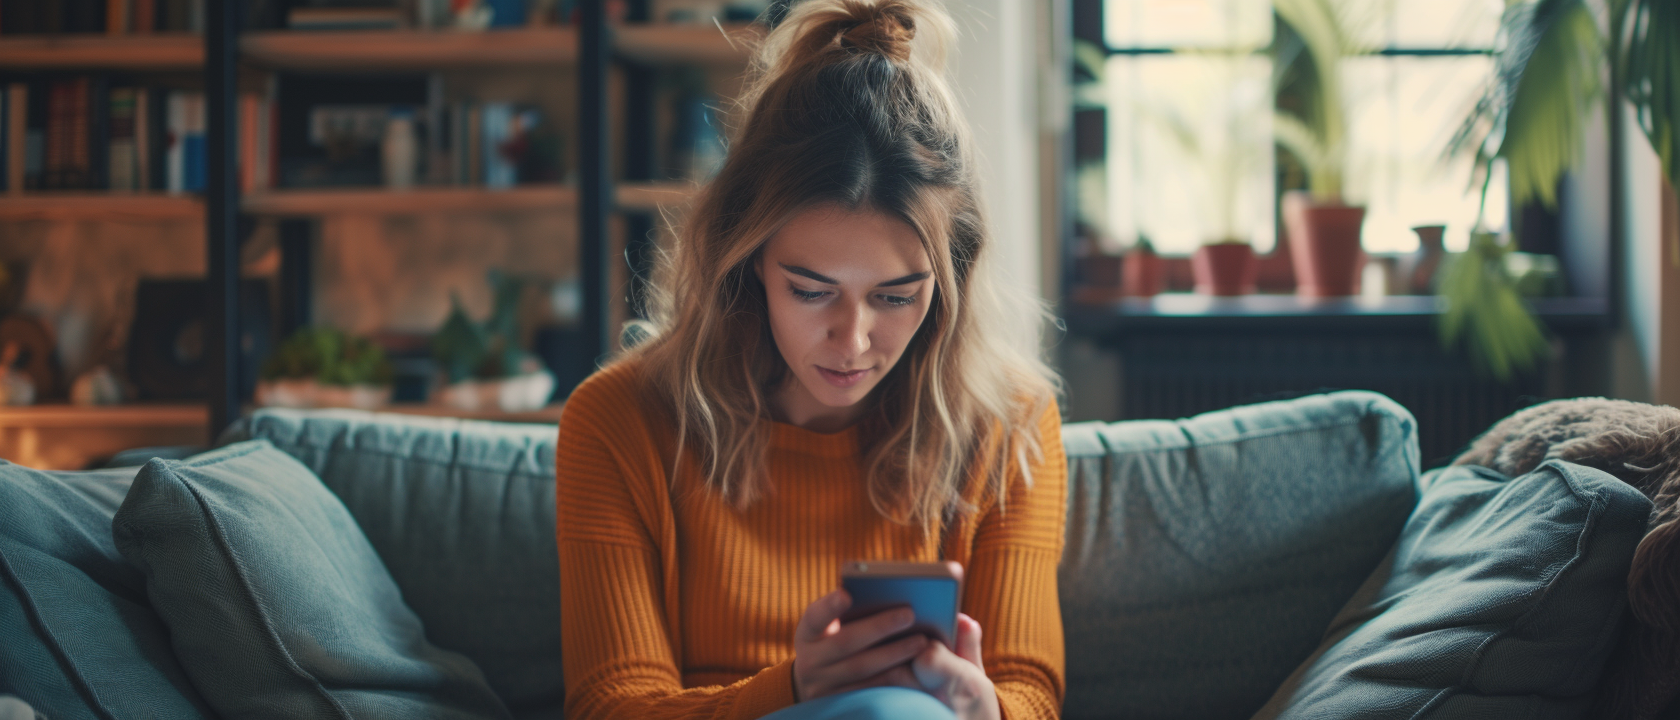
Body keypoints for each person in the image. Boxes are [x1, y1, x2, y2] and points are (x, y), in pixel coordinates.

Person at [554, 1, 1066, 718]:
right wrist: (793, 690)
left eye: (895, 296)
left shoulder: (1009, 423)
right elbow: (611, 708)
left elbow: (1029, 694)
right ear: (746, 258)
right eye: (811, 290)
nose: (853, 341)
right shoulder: (619, 421)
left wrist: (986, 710)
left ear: (949, 280)